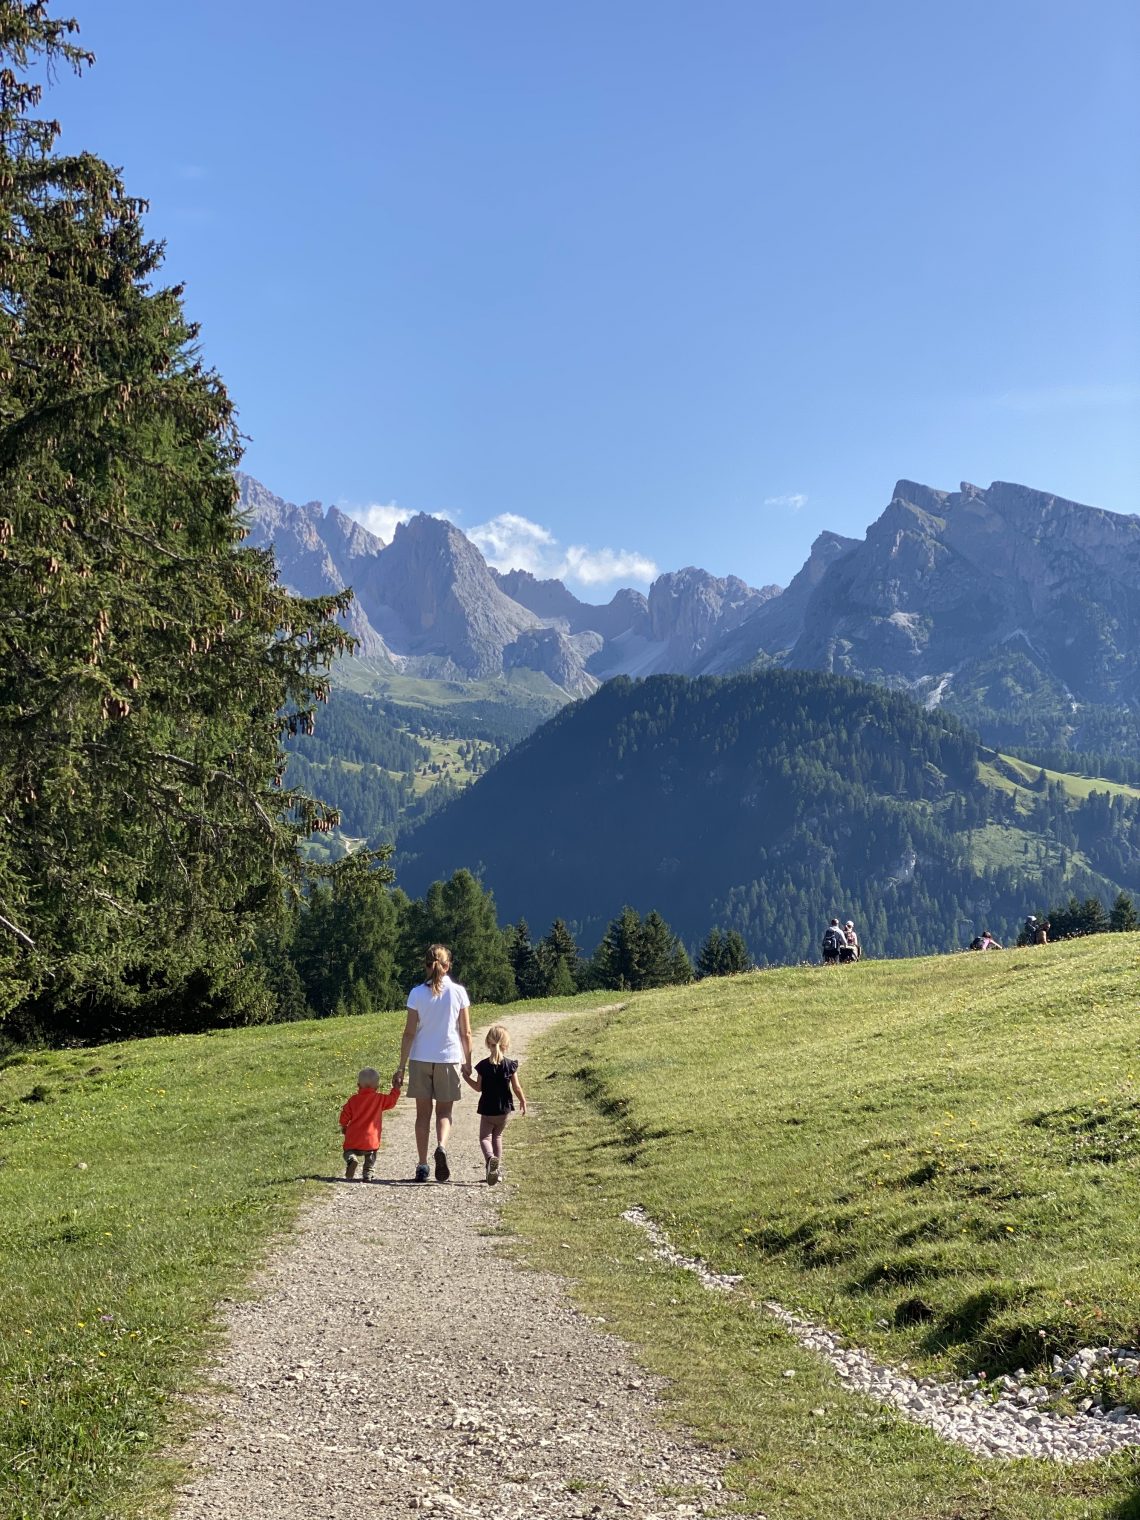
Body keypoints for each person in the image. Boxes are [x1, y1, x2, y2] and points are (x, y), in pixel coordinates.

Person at [394, 944, 473, 1183]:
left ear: (426, 966)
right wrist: (468, 1062)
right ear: (448, 966)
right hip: (448, 1057)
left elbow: (409, 1033)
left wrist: (401, 1066)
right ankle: (441, 1146)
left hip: (420, 1058)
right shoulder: (458, 992)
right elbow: (466, 1032)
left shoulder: (416, 993)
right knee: (444, 1112)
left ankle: (422, 1164)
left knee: (422, 1116)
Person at [462, 1022, 527, 1185]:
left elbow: (478, 1088)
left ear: (487, 1043)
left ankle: (490, 1158)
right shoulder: (510, 1065)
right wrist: (522, 1100)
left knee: (485, 1137)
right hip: (504, 1109)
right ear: (506, 1045)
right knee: (498, 1136)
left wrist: (465, 1077)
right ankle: (496, 1172)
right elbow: (516, 1087)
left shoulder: (483, 1066)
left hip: (487, 1109)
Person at [339, 1067, 400, 1182]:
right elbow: (392, 1101)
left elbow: (345, 1114)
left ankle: (351, 1159)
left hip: (354, 1137)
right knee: (371, 1155)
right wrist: (395, 1088)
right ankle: (368, 1172)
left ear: (358, 1085)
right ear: (376, 1087)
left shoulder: (353, 1100)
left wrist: (344, 1125)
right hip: (371, 1138)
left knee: (347, 1151)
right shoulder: (379, 1099)